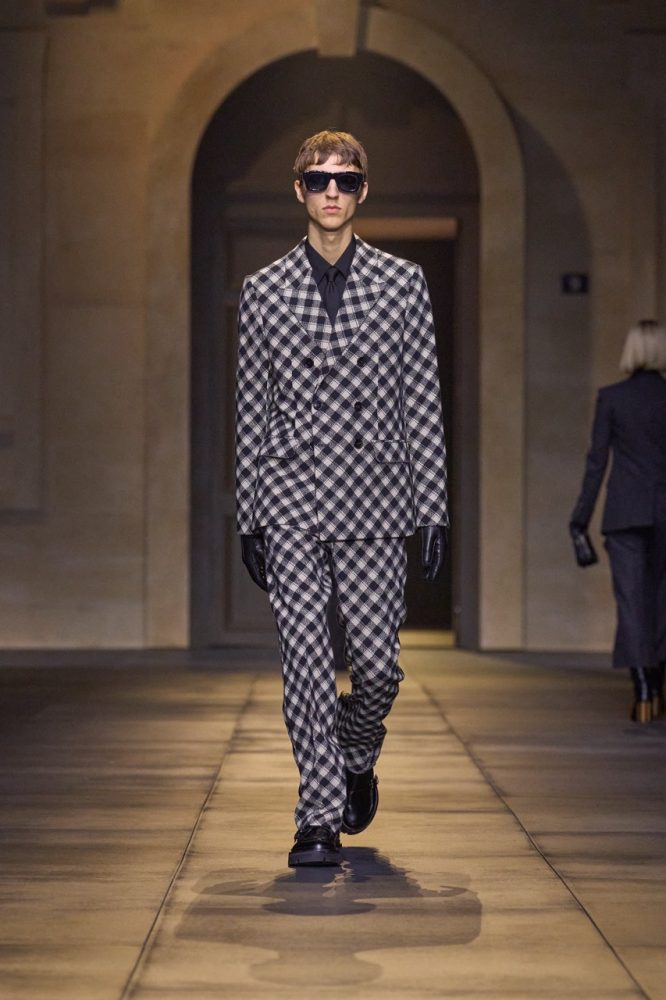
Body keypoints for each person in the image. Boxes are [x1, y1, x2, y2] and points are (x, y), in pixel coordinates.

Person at [234, 130, 449, 866]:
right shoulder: (263, 290)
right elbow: (252, 408)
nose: (333, 192)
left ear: (363, 191)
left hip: (375, 496)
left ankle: (357, 755)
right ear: (299, 189)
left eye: (346, 180)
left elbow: (421, 402)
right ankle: (317, 818)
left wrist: (433, 508)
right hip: (290, 493)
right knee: (304, 660)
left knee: (378, 667)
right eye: (320, 180)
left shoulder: (402, 283)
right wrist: (250, 516)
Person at [570, 319, 666, 722]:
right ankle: (657, 684)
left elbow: (597, 463)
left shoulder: (612, 398)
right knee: (660, 601)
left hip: (625, 513)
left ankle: (643, 689)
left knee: (631, 602)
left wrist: (579, 520)